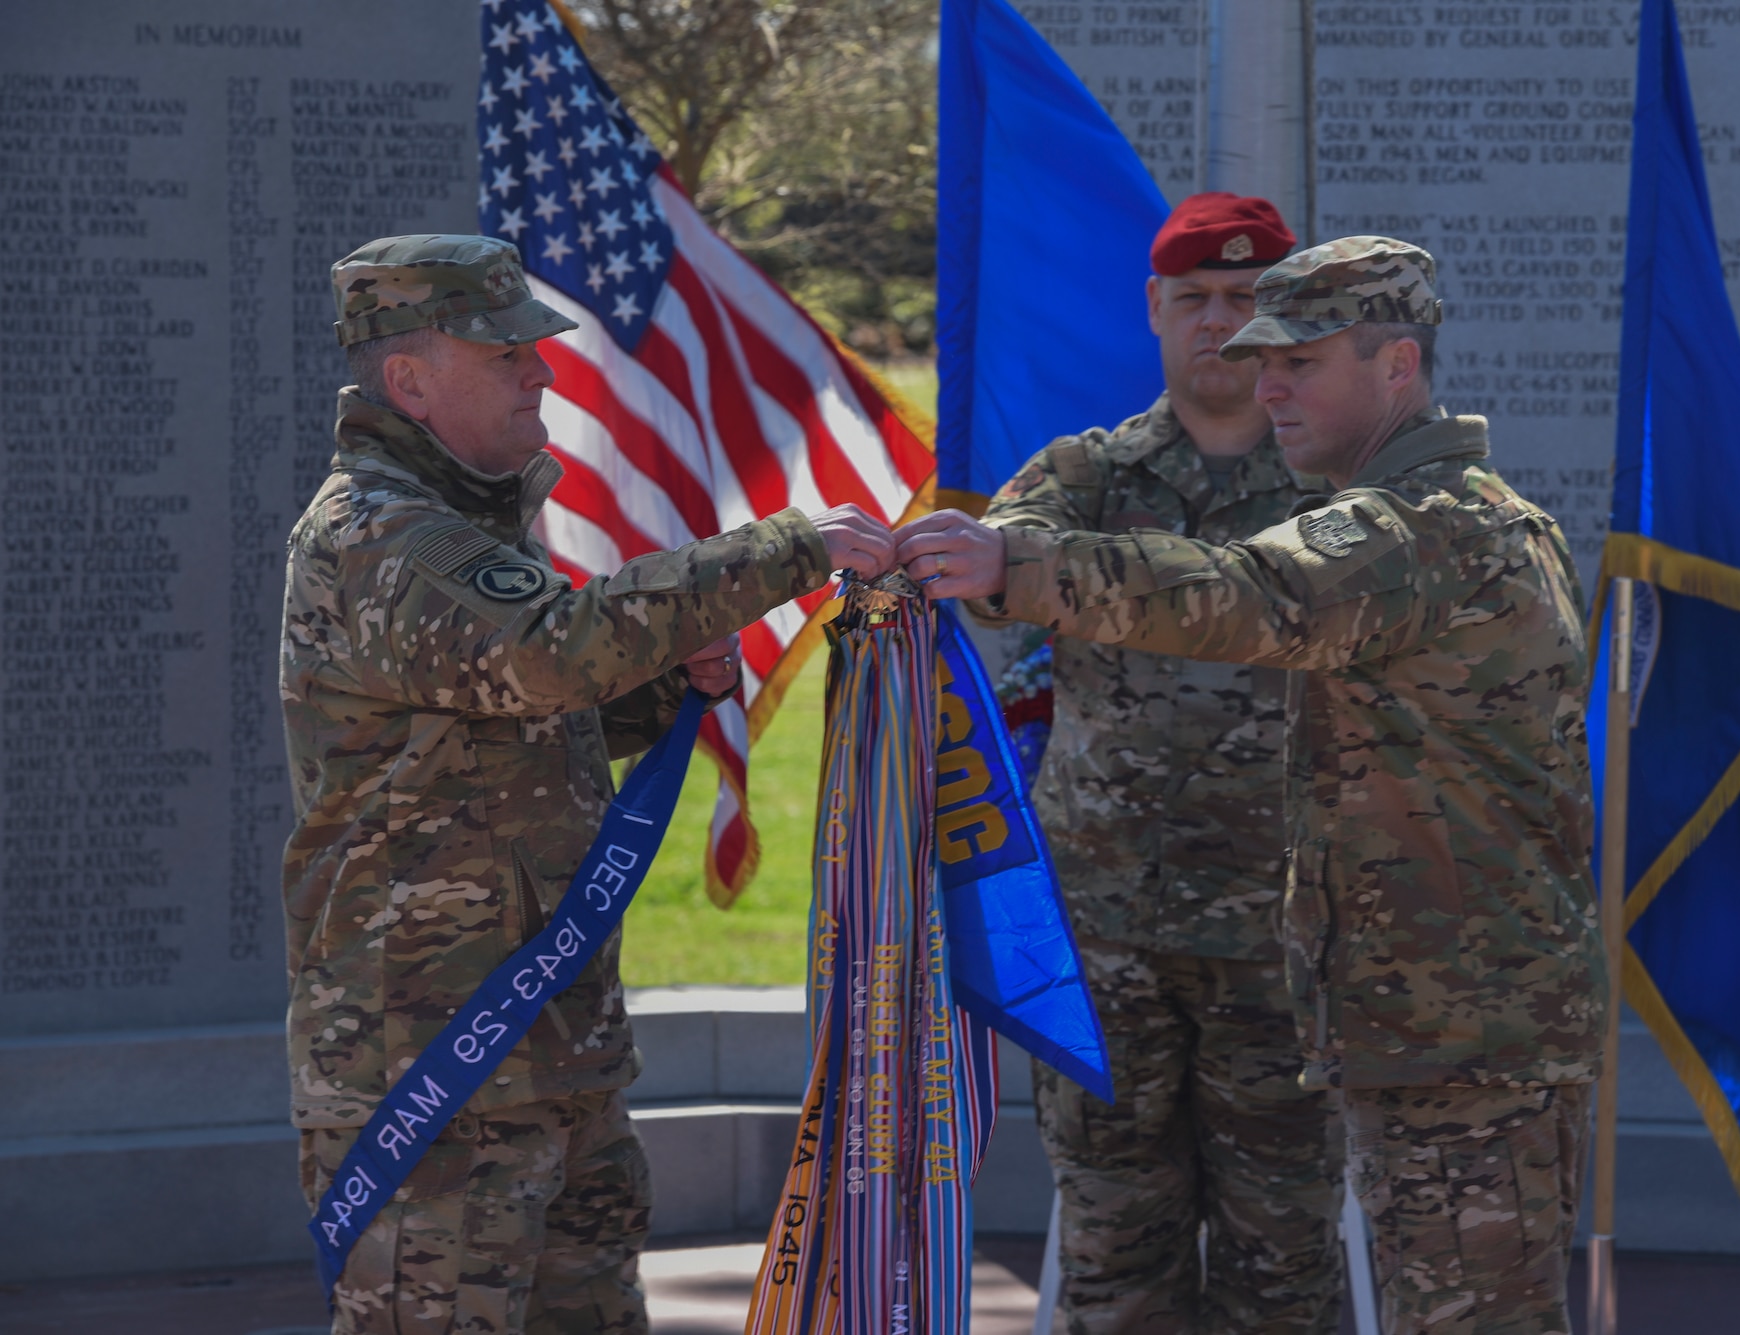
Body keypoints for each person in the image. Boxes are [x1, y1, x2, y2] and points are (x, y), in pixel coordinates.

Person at [898, 236, 1608, 1335]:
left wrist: (1013, 565)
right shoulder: (1457, 513)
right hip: (1426, 1019)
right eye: (1259, 357)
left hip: (1462, 1037)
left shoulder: (1416, 529)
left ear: (1395, 369)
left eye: (1301, 361)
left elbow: (1257, 593)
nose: (1264, 379)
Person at [281, 234, 891, 1334]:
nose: (542, 373)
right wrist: (790, 549)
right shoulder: (380, 533)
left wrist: (656, 694)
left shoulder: (460, 526)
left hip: (548, 1048)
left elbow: (507, 714)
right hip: (435, 1063)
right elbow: (549, 652)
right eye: (505, 352)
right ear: (410, 380)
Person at [962, 192, 1347, 1333]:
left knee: (1281, 1255)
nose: (1218, 324)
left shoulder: (1344, 489)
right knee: (1112, 1247)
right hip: (1106, 940)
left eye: (1245, 300)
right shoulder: (1082, 479)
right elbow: (978, 602)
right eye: (1194, 300)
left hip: (1283, 940)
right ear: (1153, 309)